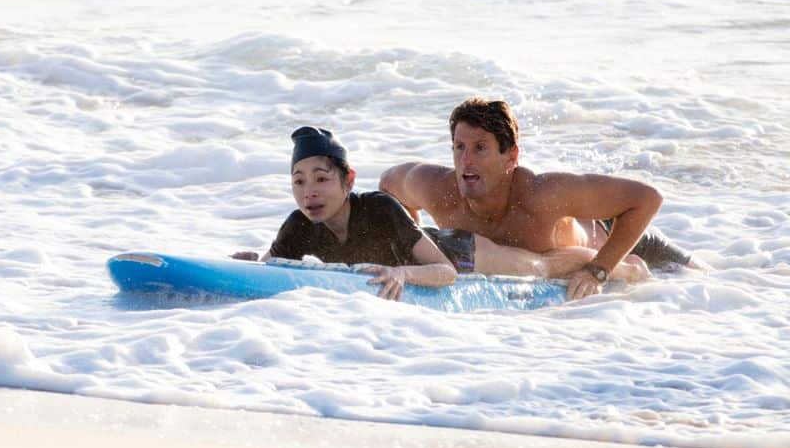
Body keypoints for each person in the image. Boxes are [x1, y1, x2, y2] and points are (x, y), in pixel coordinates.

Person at [232, 127, 647, 301]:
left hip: (457, 252)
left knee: (541, 266)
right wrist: (252, 264)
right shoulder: (299, 224)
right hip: (425, 256)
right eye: (299, 181)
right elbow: (276, 269)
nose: (310, 192)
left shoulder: (378, 207)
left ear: (347, 180)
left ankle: (627, 266)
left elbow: (445, 272)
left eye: (321, 179)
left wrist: (403, 274)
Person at [379, 97, 697, 300]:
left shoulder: (541, 194)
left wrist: (599, 270)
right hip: (556, 262)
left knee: (706, 285)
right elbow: (389, 186)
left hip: (624, 239)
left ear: (511, 156)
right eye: (459, 148)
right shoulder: (436, 188)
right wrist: (418, 247)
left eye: (480, 148)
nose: (466, 161)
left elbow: (647, 199)